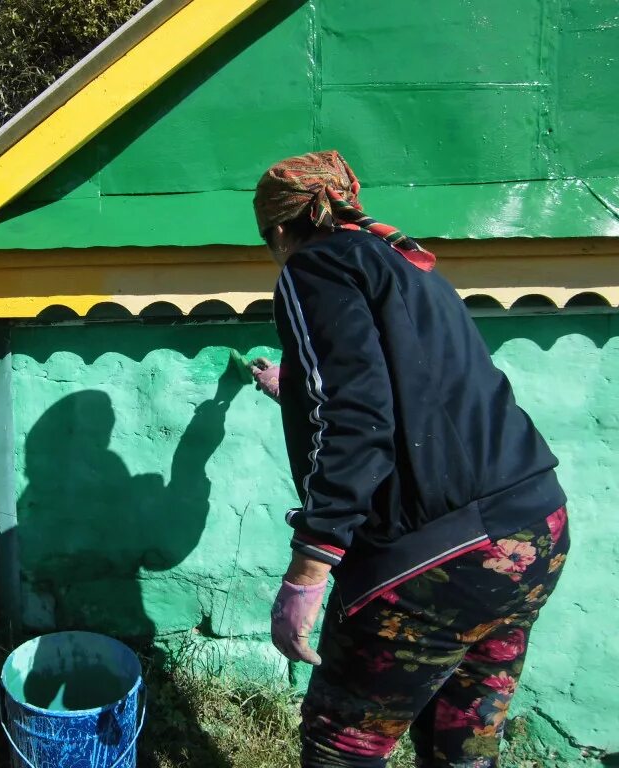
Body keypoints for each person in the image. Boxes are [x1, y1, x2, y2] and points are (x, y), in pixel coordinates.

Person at [250, 150, 570, 768]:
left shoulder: (311, 267)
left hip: (438, 560)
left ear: (283, 228)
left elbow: (356, 418)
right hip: (532, 534)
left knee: (341, 747)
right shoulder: (402, 260)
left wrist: (309, 571)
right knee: (463, 741)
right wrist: (296, 383)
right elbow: (410, 380)